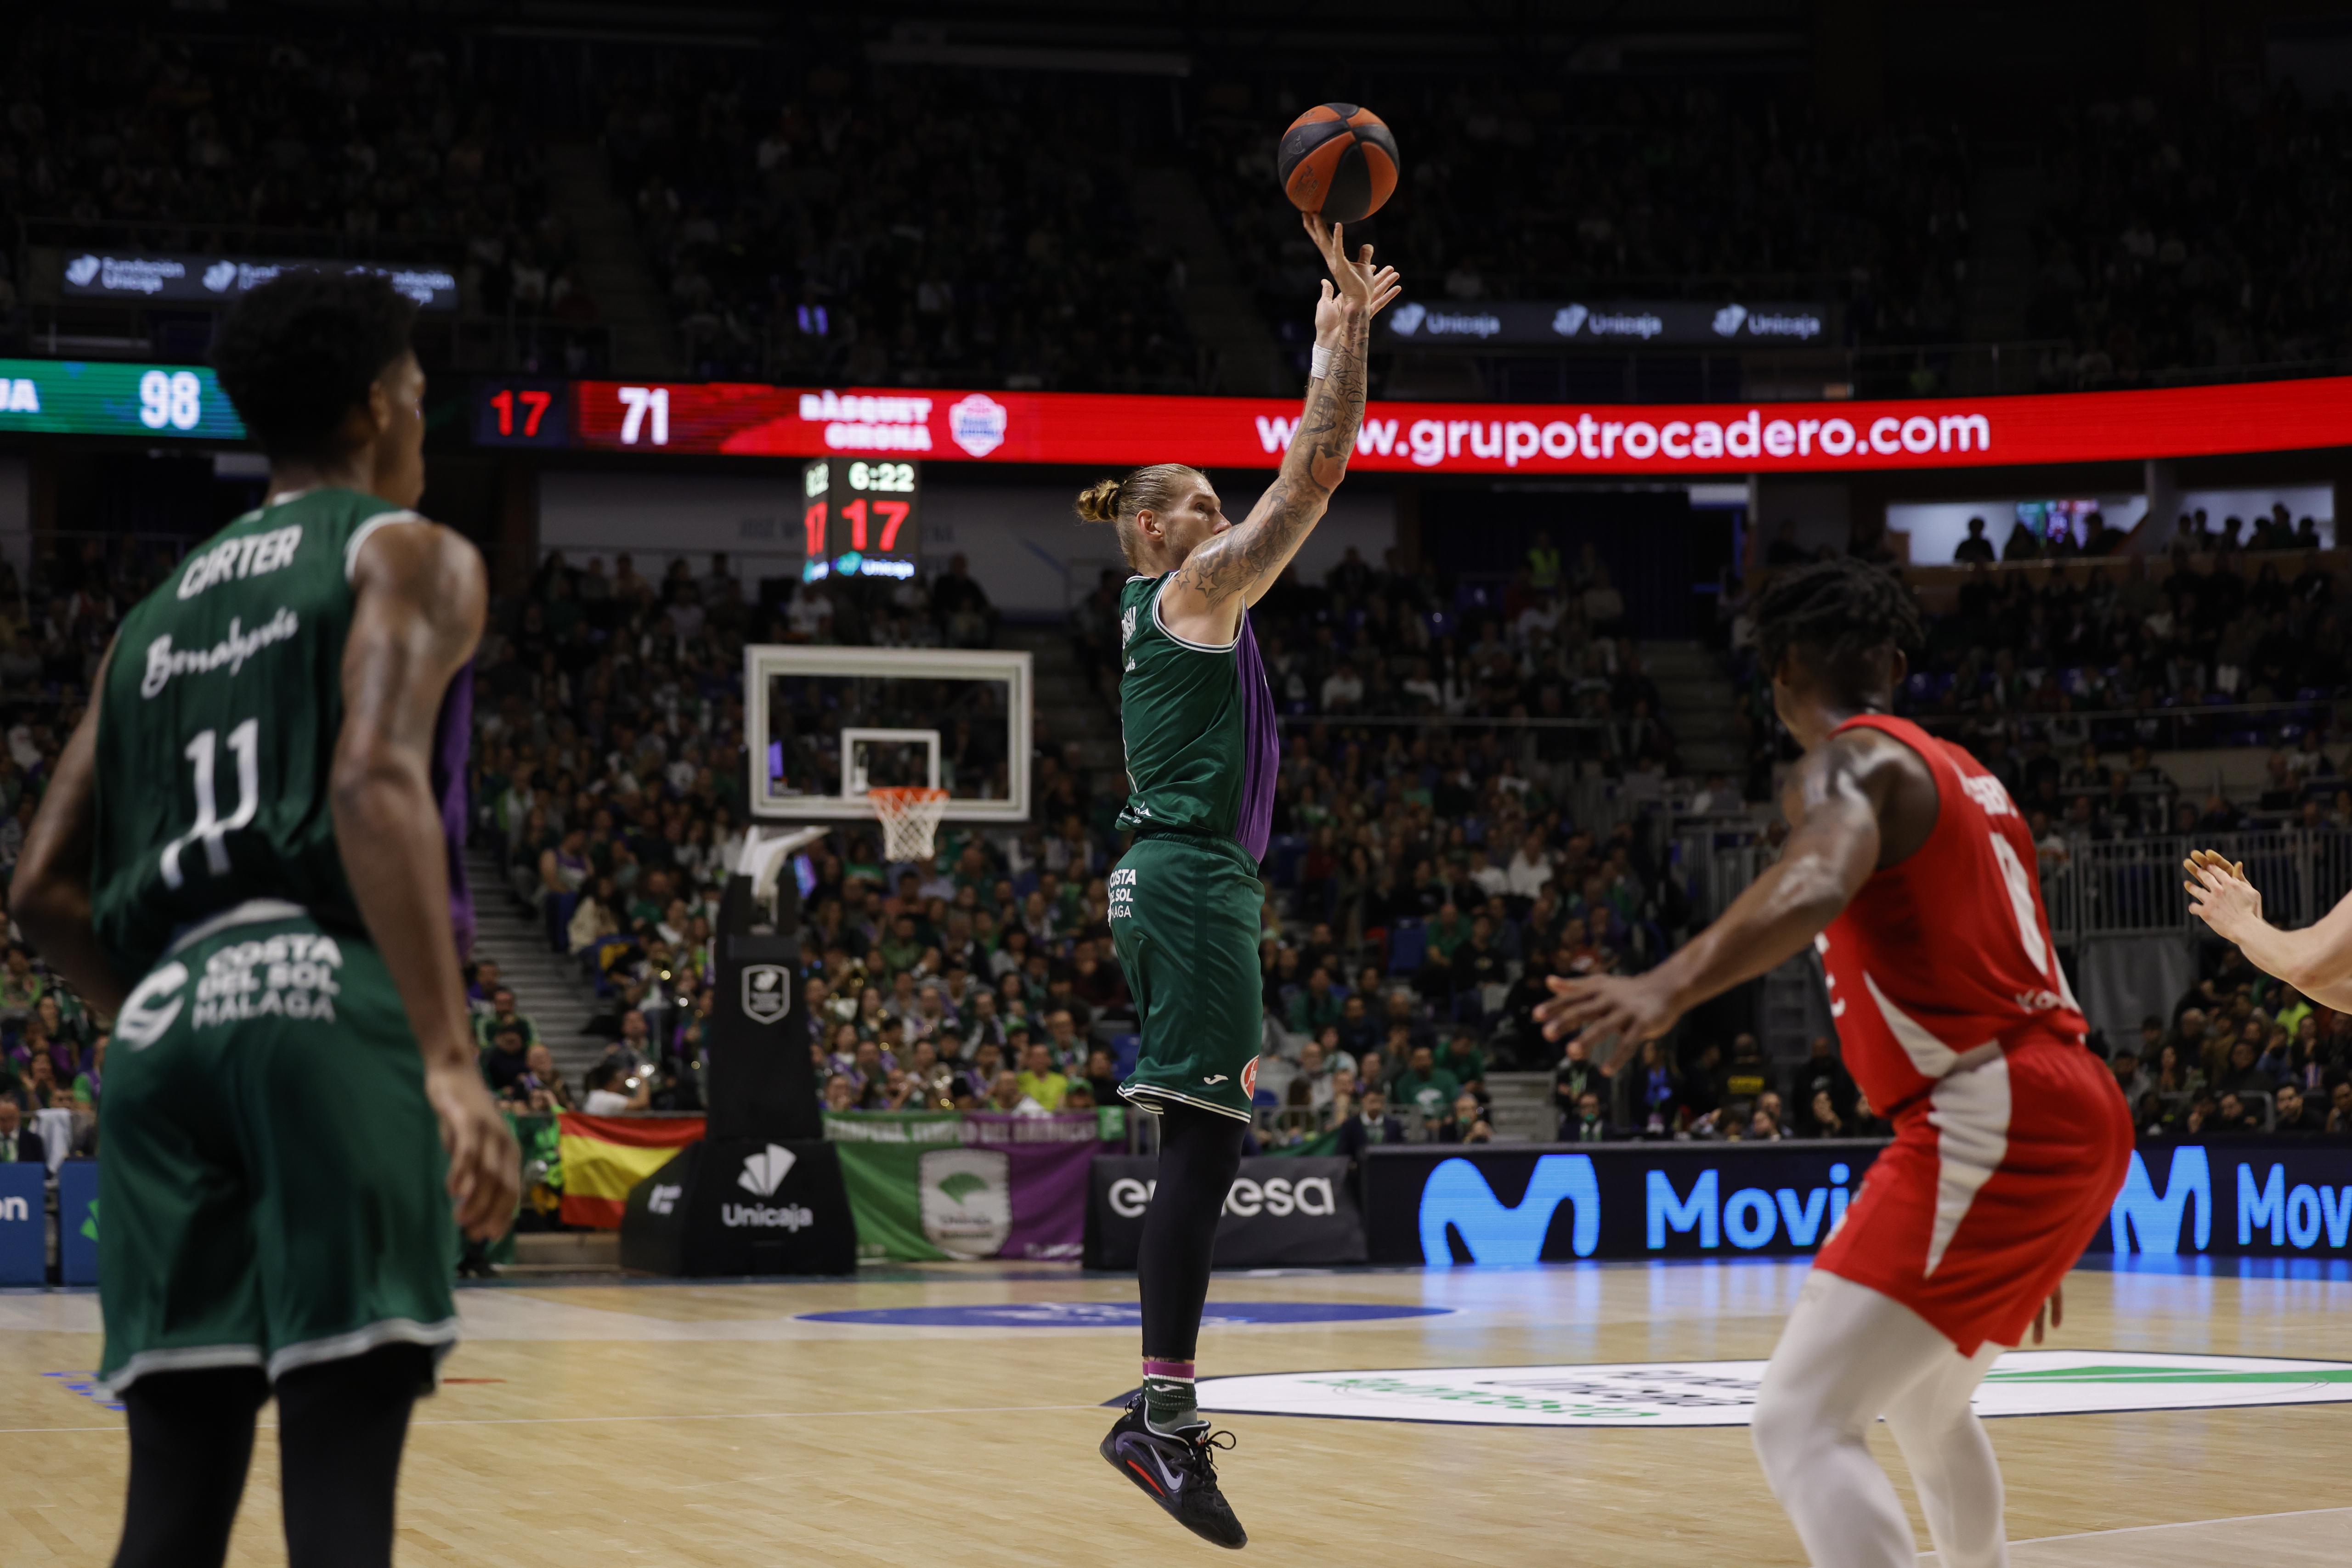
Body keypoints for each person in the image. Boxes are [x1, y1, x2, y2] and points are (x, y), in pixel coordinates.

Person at [8, 271, 520, 1568]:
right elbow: (369, 777)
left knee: (169, 1513)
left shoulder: (151, 618)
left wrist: (170, 1007)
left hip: (164, 1030)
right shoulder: (403, 548)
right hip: (325, 1008)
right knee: (338, 1503)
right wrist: (452, 1061)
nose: (421, 424)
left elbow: (41, 890)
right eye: (414, 396)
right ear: (372, 408)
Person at [1537, 558, 2130, 1568]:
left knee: (1798, 1421)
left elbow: (1813, 877)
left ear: (1778, 677)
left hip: (1988, 1107)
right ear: (1895, 663)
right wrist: (2026, 1211)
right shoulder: (1968, 776)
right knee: (1928, 1400)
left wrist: (1666, 984)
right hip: (2066, 1098)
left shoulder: (1847, 764)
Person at [1081, 212, 1401, 1551]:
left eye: (1223, 500)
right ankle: (1157, 1417)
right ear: (1155, 530)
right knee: (1206, 1145)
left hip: (1183, 875)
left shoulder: (1180, 614)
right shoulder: (1192, 590)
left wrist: (1341, 355)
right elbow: (1312, 482)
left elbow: (1297, 483)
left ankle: (1157, 1407)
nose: (1227, 515)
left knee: (1204, 1141)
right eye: (1202, 503)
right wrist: (1340, 344)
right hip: (1194, 877)